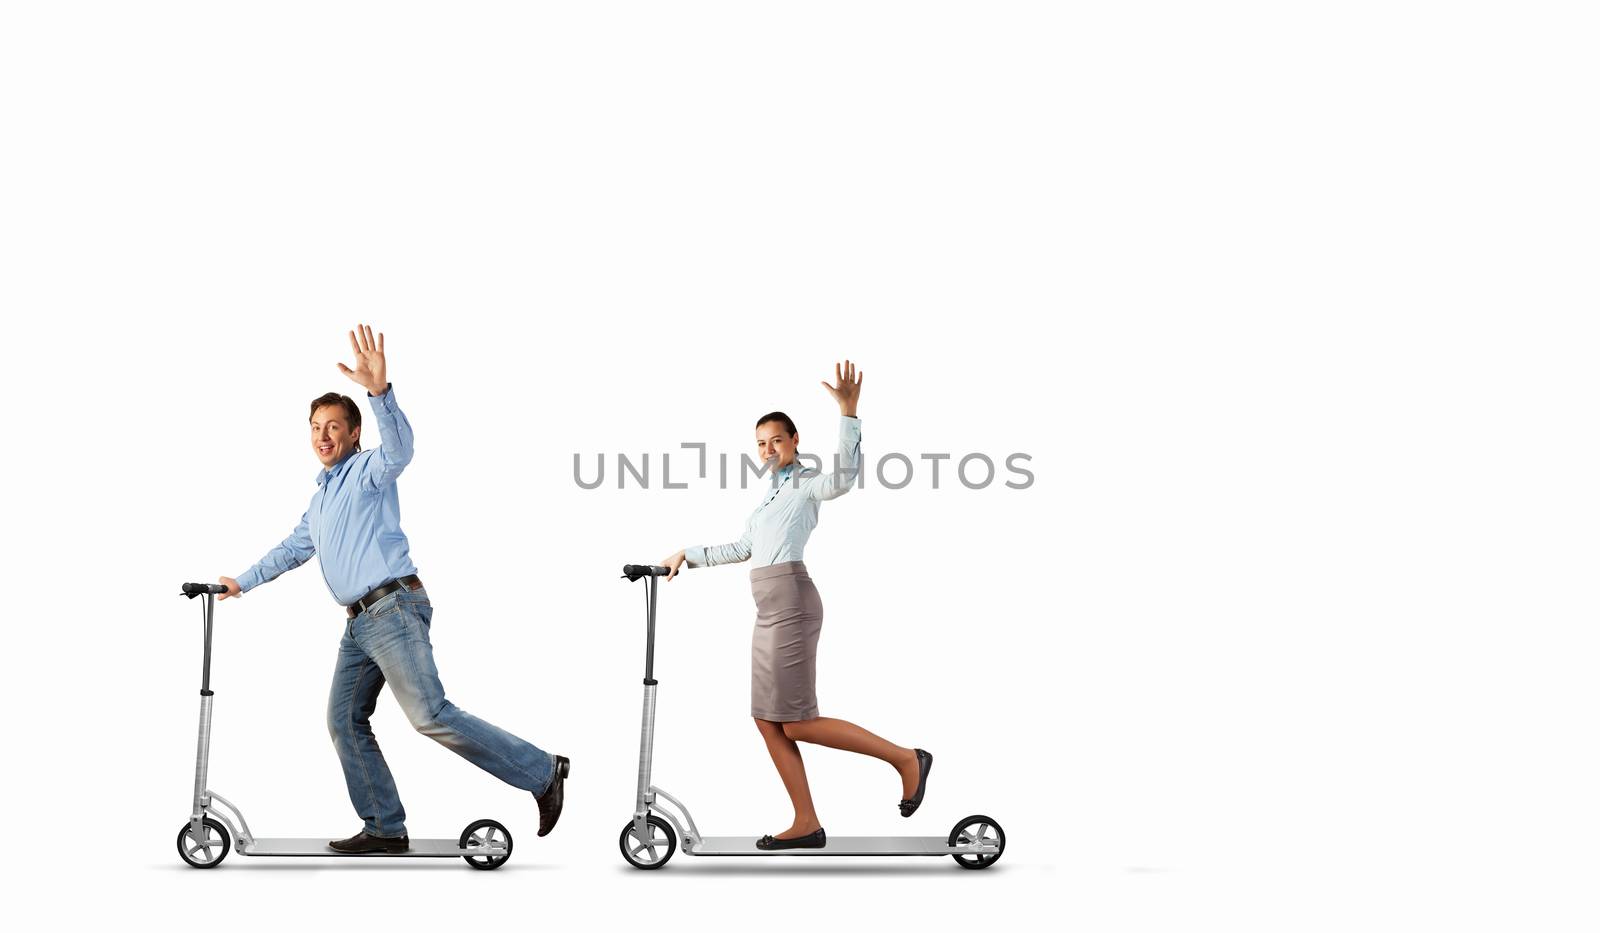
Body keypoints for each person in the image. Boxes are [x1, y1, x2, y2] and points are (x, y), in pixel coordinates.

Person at [218, 325, 569, 853]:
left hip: (393, 608)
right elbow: (292, 550)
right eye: (315, 427)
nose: (323, 436)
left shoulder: (368, 472)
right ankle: (384, 826)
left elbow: (400, 451)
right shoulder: (320, 500)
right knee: (343, 720)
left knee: (429, 714)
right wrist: (240, 582)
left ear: (354, 433)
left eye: (334, 426)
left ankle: (541, 770)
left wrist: (380, 394)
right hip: (360, 624)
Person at [658, 360, 933, 850]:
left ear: (795, 440)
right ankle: (806, 821)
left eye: (776, 440)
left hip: (792, 603)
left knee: (798, 721)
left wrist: (849, 414)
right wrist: (688, 554)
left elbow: (843, 481)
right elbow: (742, 548)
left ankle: (906, 759)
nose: (768, 449)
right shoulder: (770, 494)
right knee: (767, 719)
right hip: (767, 610)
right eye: (760, 443)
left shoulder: (806, 482)